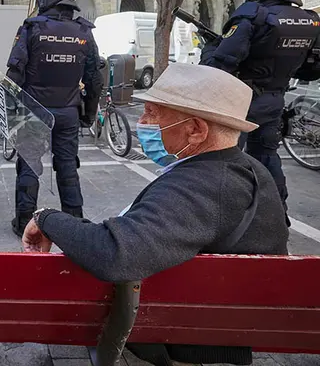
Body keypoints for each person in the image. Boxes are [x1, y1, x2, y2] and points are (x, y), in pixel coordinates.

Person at [22, 63, 289, 366]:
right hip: (222, 322)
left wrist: (45, 217)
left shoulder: (204, 186)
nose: (143, 123)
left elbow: (117, 255)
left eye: (152, 113)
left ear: (196, 130)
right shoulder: (249, 169)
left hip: (188, 336)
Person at [201, 0, 320, 221]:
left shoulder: (253, 15)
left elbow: (218, 67)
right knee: (267, 159)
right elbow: (311, 70)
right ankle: (277, 216)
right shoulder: (310, 21)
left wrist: (209, 47)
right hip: (274, 102)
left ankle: (219, 222)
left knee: (222, 163)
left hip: (239, 104)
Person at [6, 0, 102, 237]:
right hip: (69, 112)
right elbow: (95, 79)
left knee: (29, 165)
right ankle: (75, 222)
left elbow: (14, 75)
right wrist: (88, 114)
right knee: (68, 166)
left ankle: (25, 221)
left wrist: (11, 113)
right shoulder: (84, 31)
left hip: (34, 111)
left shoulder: (32, 28)